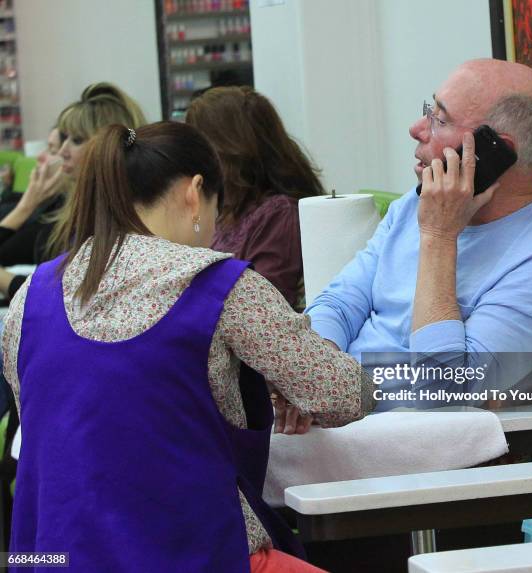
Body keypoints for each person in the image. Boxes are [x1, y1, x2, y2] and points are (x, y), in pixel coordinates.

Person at [2, 121, 372, 572]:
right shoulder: (218, 284)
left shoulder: (29, 297)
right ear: (195, 192)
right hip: (185, 554)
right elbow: (346, 394)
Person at [305, 58, 532, 410]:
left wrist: (439, 236)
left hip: (404, 449)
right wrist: (308, 378)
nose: (416, 128)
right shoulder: (414, 204)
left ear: (493, 152)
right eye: (429, 110)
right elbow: (339, 303)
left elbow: (442, 396)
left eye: (440, 119)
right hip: (334, 413)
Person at [0, 82, 146, 301]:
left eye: (76, 140)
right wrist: (26, 206)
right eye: (63, 139)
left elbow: (62, 298)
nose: (62, 151)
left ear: (107, 146)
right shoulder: (72, 209)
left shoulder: (117, 219)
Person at [186, 86, 325, 310]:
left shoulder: (279, 214)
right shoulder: (227, 211)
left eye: (202, 149)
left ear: (230, 150)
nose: (195, 161)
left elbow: (264, 309)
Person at [0, 127, 67, 269]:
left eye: (52, 150)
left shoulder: (54, 222)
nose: (40, 156)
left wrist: (26, 205)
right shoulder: (44, 202)